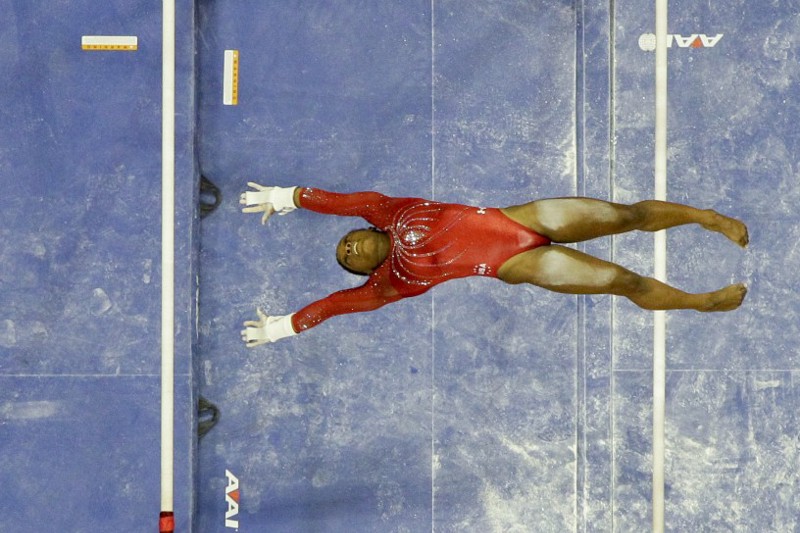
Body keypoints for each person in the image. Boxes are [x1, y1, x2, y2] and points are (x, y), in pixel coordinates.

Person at [239, 183, 748, 347]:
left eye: (348, 241)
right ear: (362, 273)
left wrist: (288, 196)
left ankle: (706, 217)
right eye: (346, 260)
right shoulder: (390, 284)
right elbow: (333, 307)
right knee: (624, 281)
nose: (349, 249)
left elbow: (336, 200)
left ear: (367, 229)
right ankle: (701, 303)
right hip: (519, 262)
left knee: (626, 216)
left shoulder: (387, 210)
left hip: (519, 218)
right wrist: (284, 326)